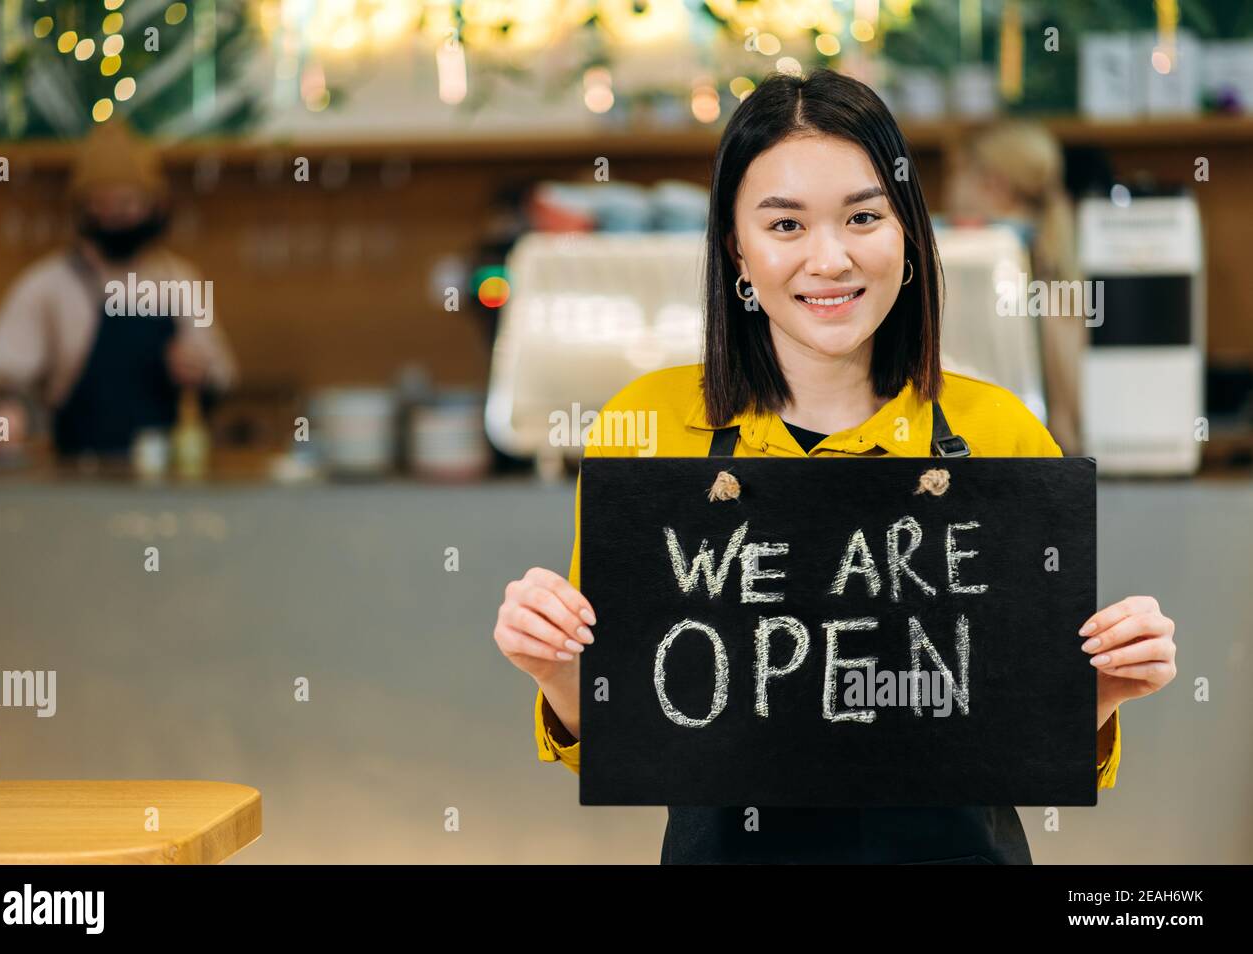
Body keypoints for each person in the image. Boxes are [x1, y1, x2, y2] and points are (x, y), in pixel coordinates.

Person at [493, 69, 1177, 864]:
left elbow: (1022, 721)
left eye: (862, 216)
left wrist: (1110, 682)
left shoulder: (1002, 432)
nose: (829, 258)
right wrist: (554, 670)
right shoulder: (643, 428)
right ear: (735, 250)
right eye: (785, 226)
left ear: (909, 236)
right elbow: (622, 731)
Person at [0, 118, 237, 457]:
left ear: (156, 207)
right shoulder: (48, 284)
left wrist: (201, 371)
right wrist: (6, 407)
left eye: (128, 204)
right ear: (84, 208)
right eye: (104, 204)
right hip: (74, 471)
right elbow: (1, 371)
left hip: (166, 468)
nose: (116, 216)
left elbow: (221, 372)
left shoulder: (180, 280)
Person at [944, 121, 1086, 454]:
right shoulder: (1056, 262)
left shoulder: (975, 255)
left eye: (959, 173)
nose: (951, 186)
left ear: (994, 185)